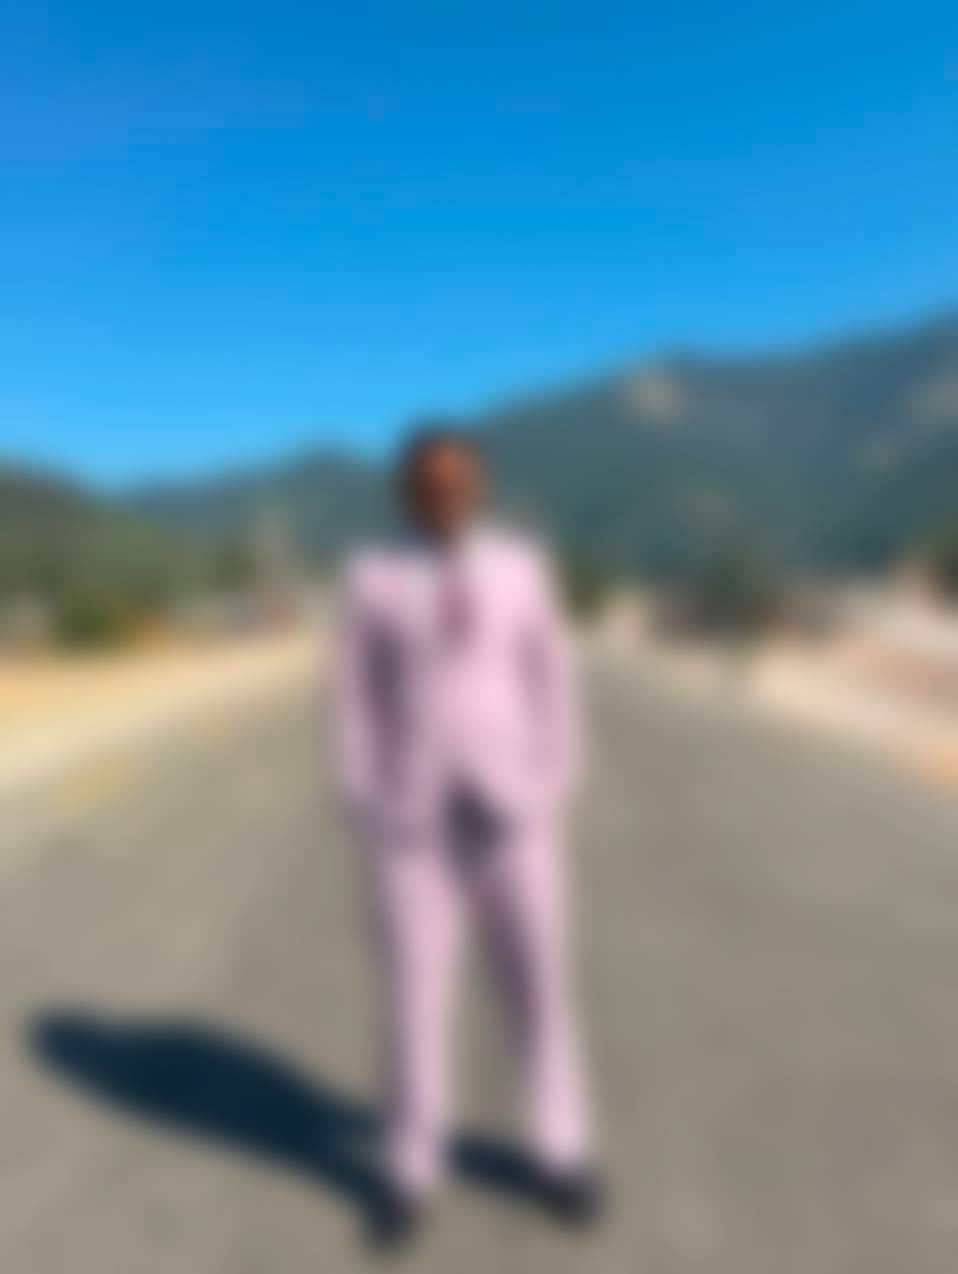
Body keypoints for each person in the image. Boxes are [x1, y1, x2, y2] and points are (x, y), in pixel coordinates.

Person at [332, 427, 601, 1247]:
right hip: (413, 826)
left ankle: (560, 1151)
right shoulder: (371, 576)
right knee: (414, 1003)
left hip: (513, 812)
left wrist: (552, 782)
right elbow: (353, 698)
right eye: (428, 483)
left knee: (540, 987)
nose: (444, 494)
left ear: (477, 488)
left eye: (457, 481)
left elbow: (552, 677)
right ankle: (410, 1168)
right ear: (405, 493)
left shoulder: (523, 567)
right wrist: (367, 800)